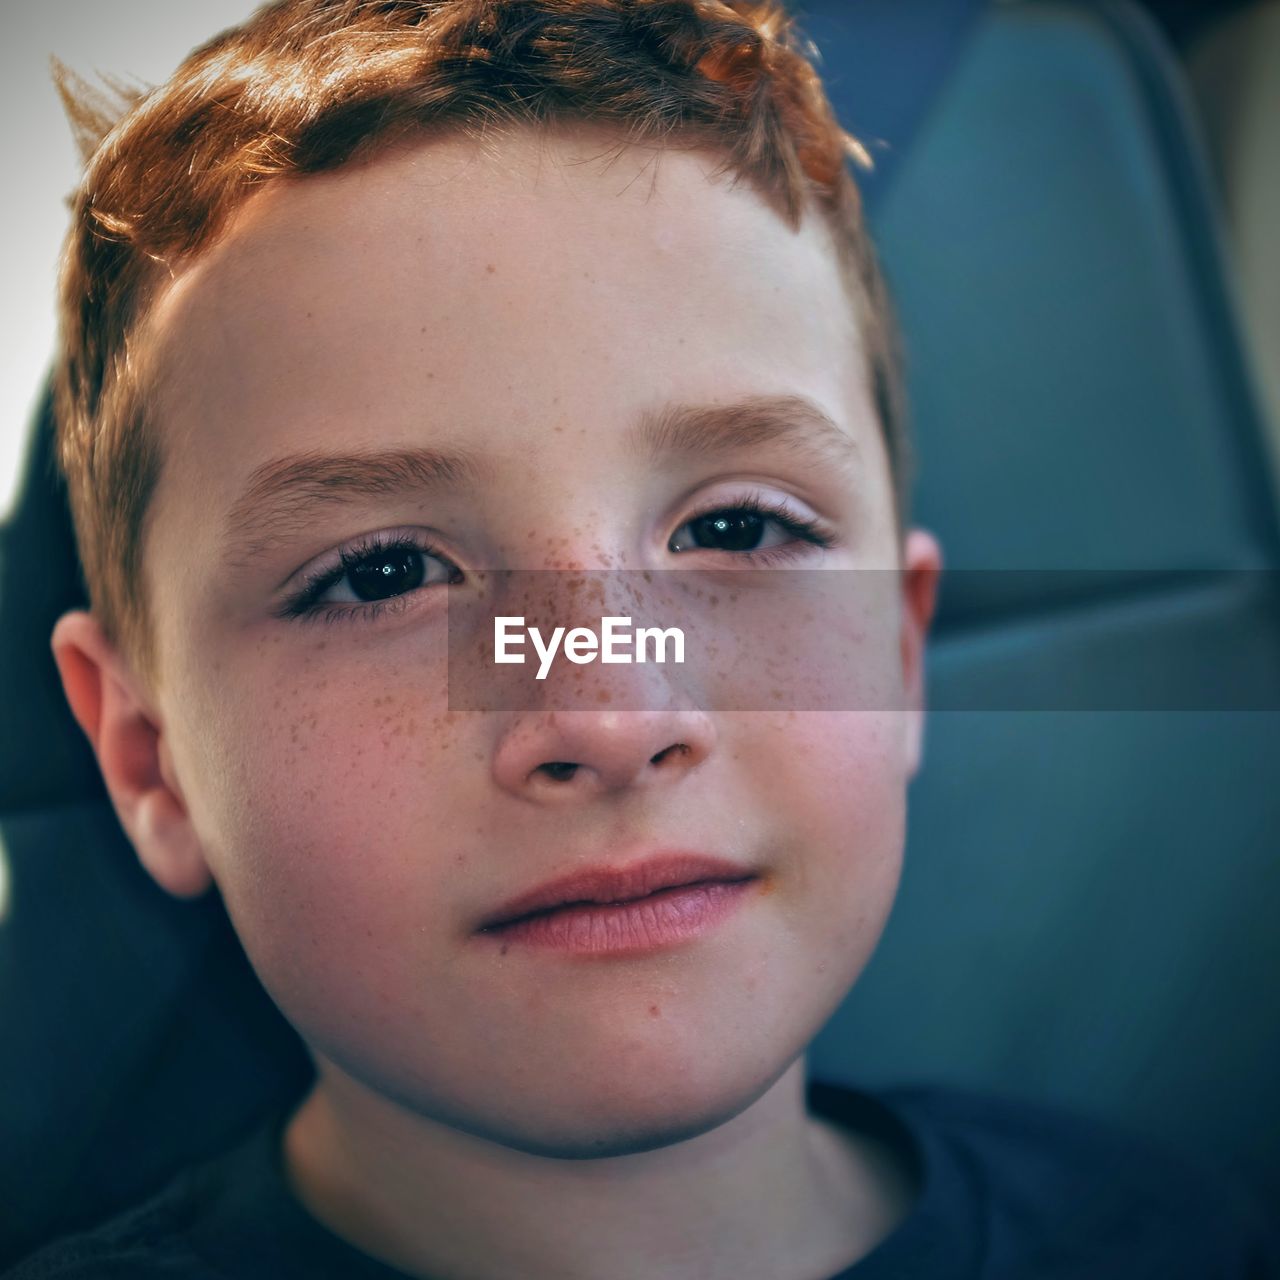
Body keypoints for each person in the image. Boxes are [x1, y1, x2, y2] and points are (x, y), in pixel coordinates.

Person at [9, 1, 1276, 1276]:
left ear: (898, 659)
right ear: (149, 759)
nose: (610, 715)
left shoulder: (1177, 1237)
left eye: (736, 527)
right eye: (382, 572)